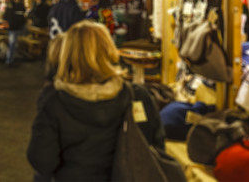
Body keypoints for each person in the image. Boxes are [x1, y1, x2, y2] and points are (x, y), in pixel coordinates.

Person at [27, 21, 164, 181]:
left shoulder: (55, 101)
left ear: (67, 53)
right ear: (108, 48)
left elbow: (42, 161)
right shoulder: (136, 96)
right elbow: (156, 148)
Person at [3, 0, 27, 66]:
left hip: (12, 27)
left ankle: (11, 59)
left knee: (13, 44)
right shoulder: (17, 6)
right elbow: (22, 15)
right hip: (14, 27)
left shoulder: (10, 6)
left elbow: (5, 16)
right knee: (12, 44)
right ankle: (9, 60)